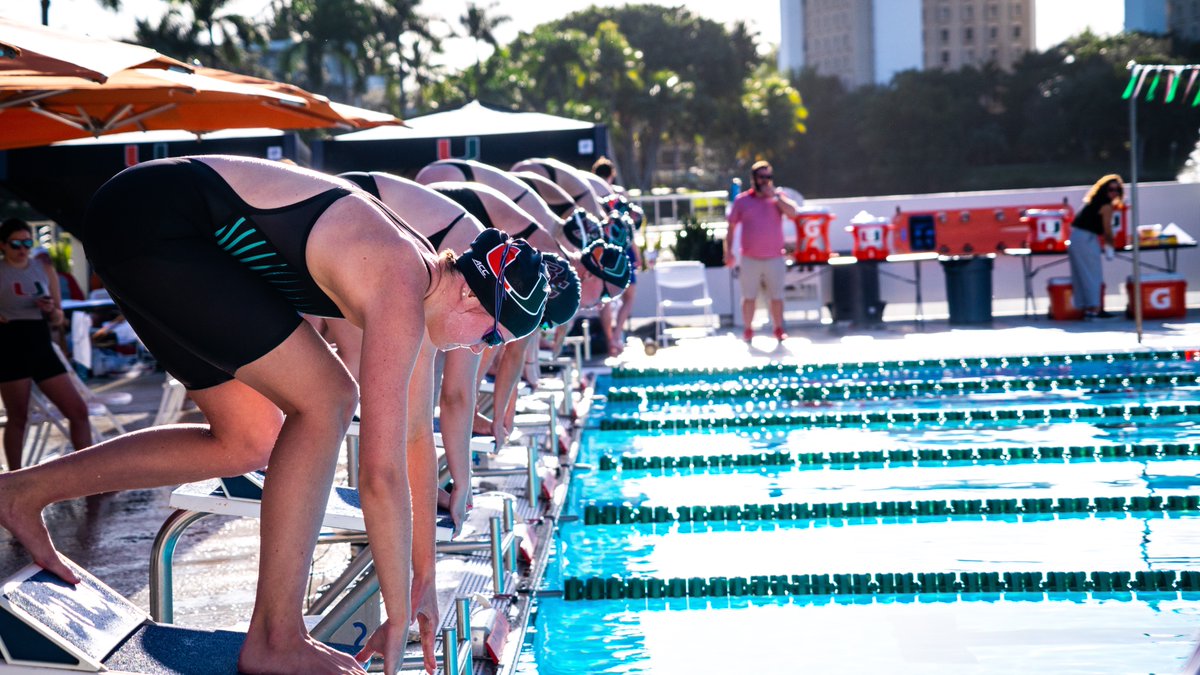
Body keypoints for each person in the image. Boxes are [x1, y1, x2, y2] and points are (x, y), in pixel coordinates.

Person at [0, 156, 549, 675]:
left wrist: (423, 578)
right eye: (493, 337)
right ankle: (275, 635)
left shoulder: (421, 285)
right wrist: (398, 610)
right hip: (157, 222)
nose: (481, 351)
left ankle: (20, 492)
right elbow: (379, 476)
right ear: (476, 302)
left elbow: (412, 441)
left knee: (247, 441)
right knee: (328, 398)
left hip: (149, 224)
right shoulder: (401, 286)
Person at [0, 218, 92, 471]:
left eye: (27, 242)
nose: (22, 249)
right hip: (9, 344)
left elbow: (59, 318)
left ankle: (90, 473)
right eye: (16, 243)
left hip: (39, 341)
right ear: (3, 245)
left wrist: (51, 309)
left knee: (78, 411)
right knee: (18, 417)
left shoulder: (43, 267)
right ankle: (14, 477)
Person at [724, 160, 800, 342]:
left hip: (774, 257)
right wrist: (728, 252)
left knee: (776, 297)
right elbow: (731, 227)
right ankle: (748, 329)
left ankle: (778, 328)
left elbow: (794, 213)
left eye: (768, 177)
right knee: (749, 296)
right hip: (750, 257)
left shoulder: (777, 198)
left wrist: (775, 197)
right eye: (762, 177)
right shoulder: (742, 201)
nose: (765, 181)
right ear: (754, 179)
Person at [1068, 174, 1123, 319]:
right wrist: (1110, 247)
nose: (1114, 193)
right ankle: (1095, 308)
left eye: (1117, 190)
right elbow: (1107, 230)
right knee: (1093, 275)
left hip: (1078, 239)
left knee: (1083, 274)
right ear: (1103, 190)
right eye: (1111, 189)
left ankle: (1087, 308)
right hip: (1085, 239)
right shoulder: (1105, 205)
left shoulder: (1093, 202)